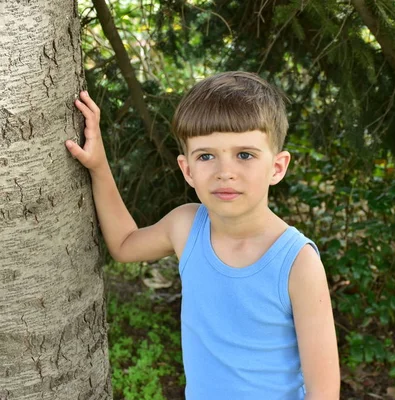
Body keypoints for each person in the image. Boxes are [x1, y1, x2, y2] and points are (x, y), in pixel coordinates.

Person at [65, 71, 340, 399]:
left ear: (277, 167)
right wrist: (98, 165)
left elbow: (324, 391)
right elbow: (124, 245)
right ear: (188, 169)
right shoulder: (186, 226)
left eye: (245, 155)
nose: (225, 171)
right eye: (207, 156)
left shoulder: (296, 262)